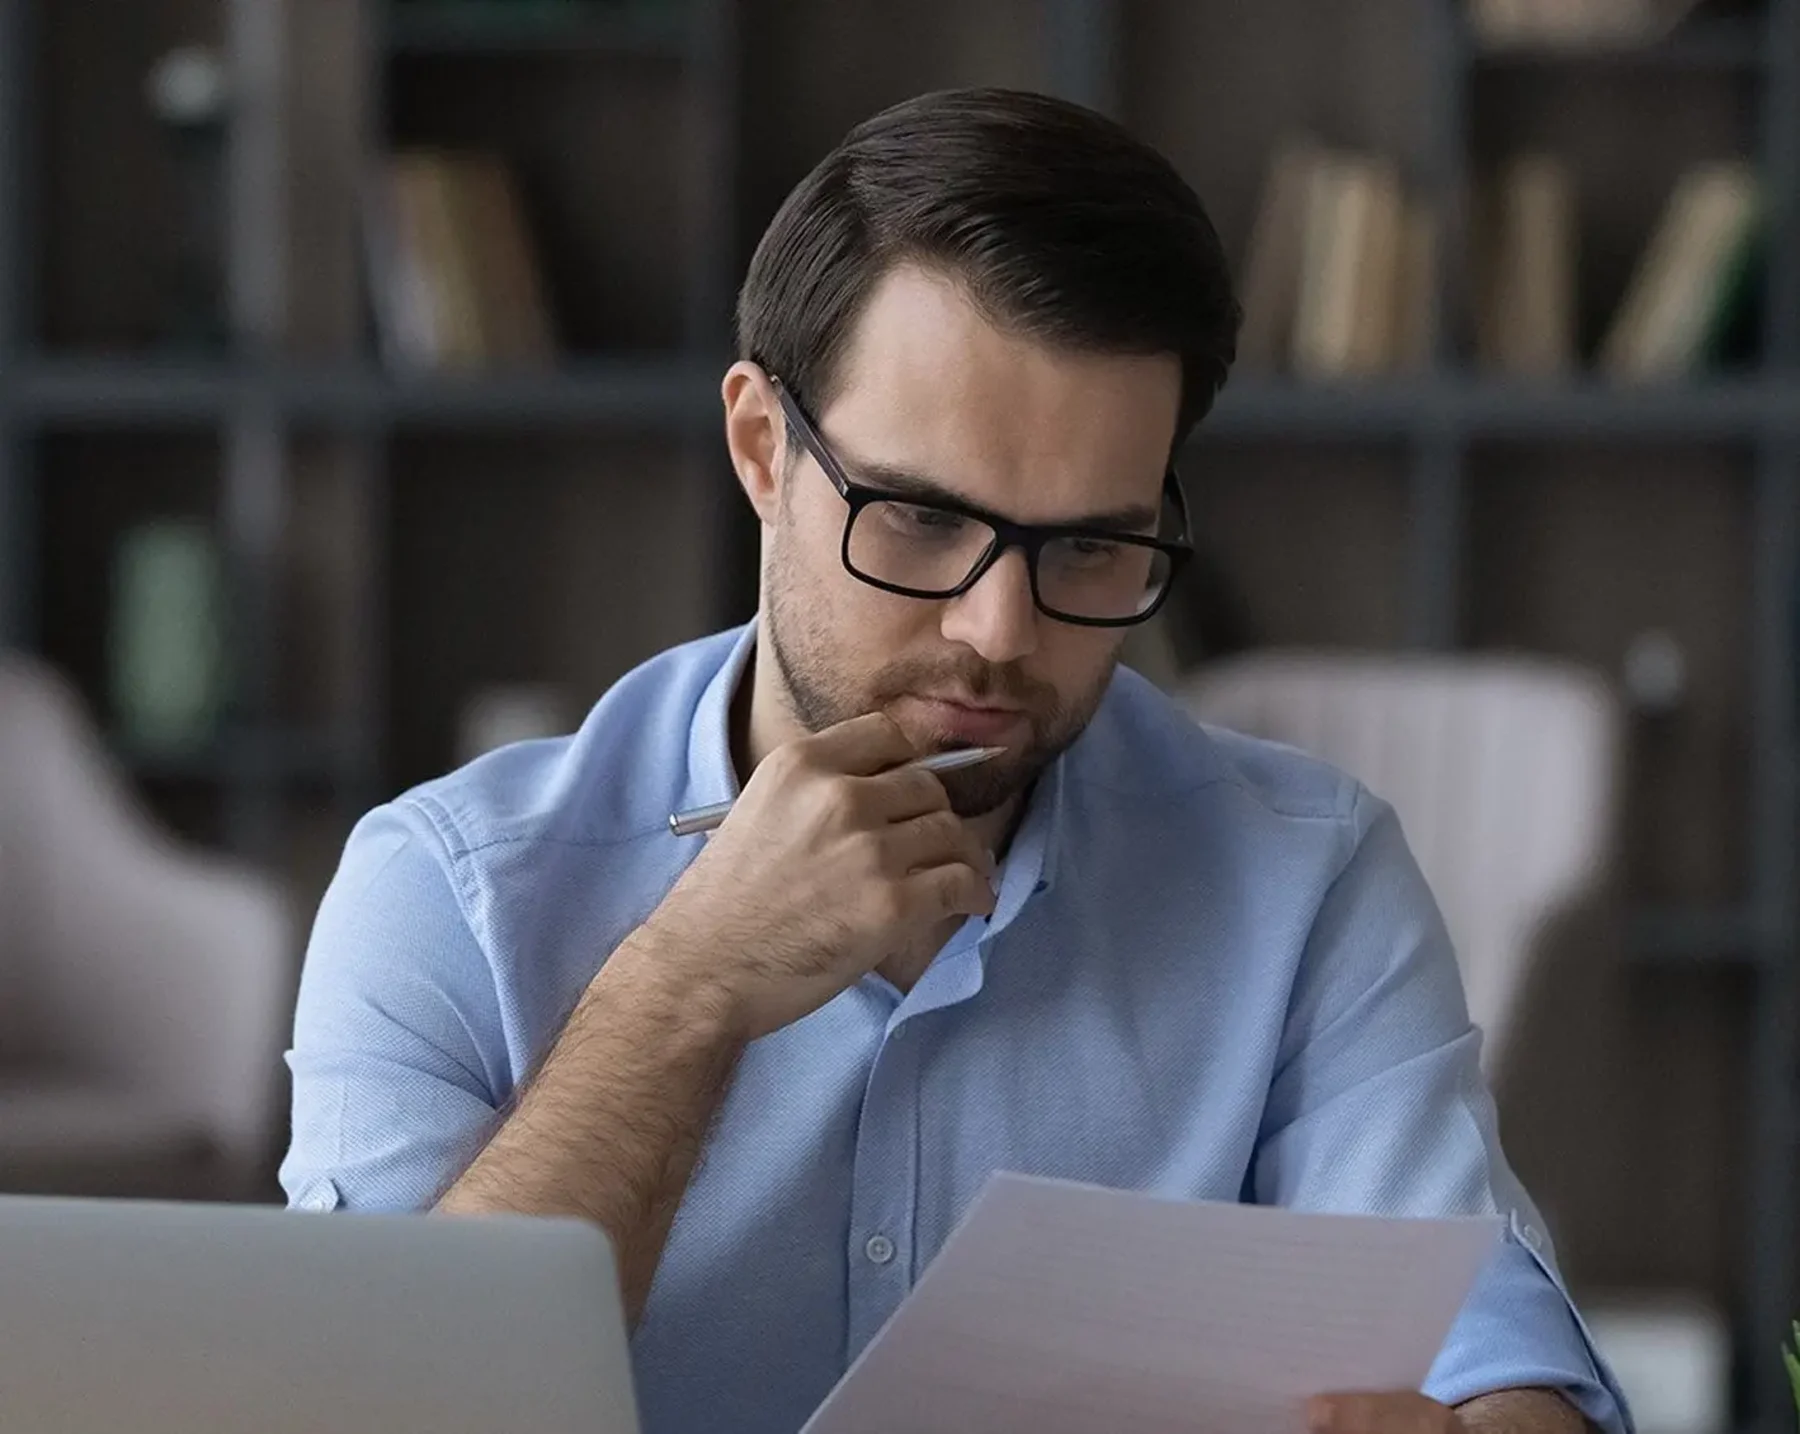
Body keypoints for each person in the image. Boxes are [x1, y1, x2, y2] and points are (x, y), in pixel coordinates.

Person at [282, 88, 1628, 1434]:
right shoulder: (447, 895)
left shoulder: (1305, 877)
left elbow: (1501, 1363)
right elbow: (379, 1411)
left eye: (1091, 546)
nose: (1000, 630)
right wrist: (684, 988)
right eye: (921, 518)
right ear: (763, 448)